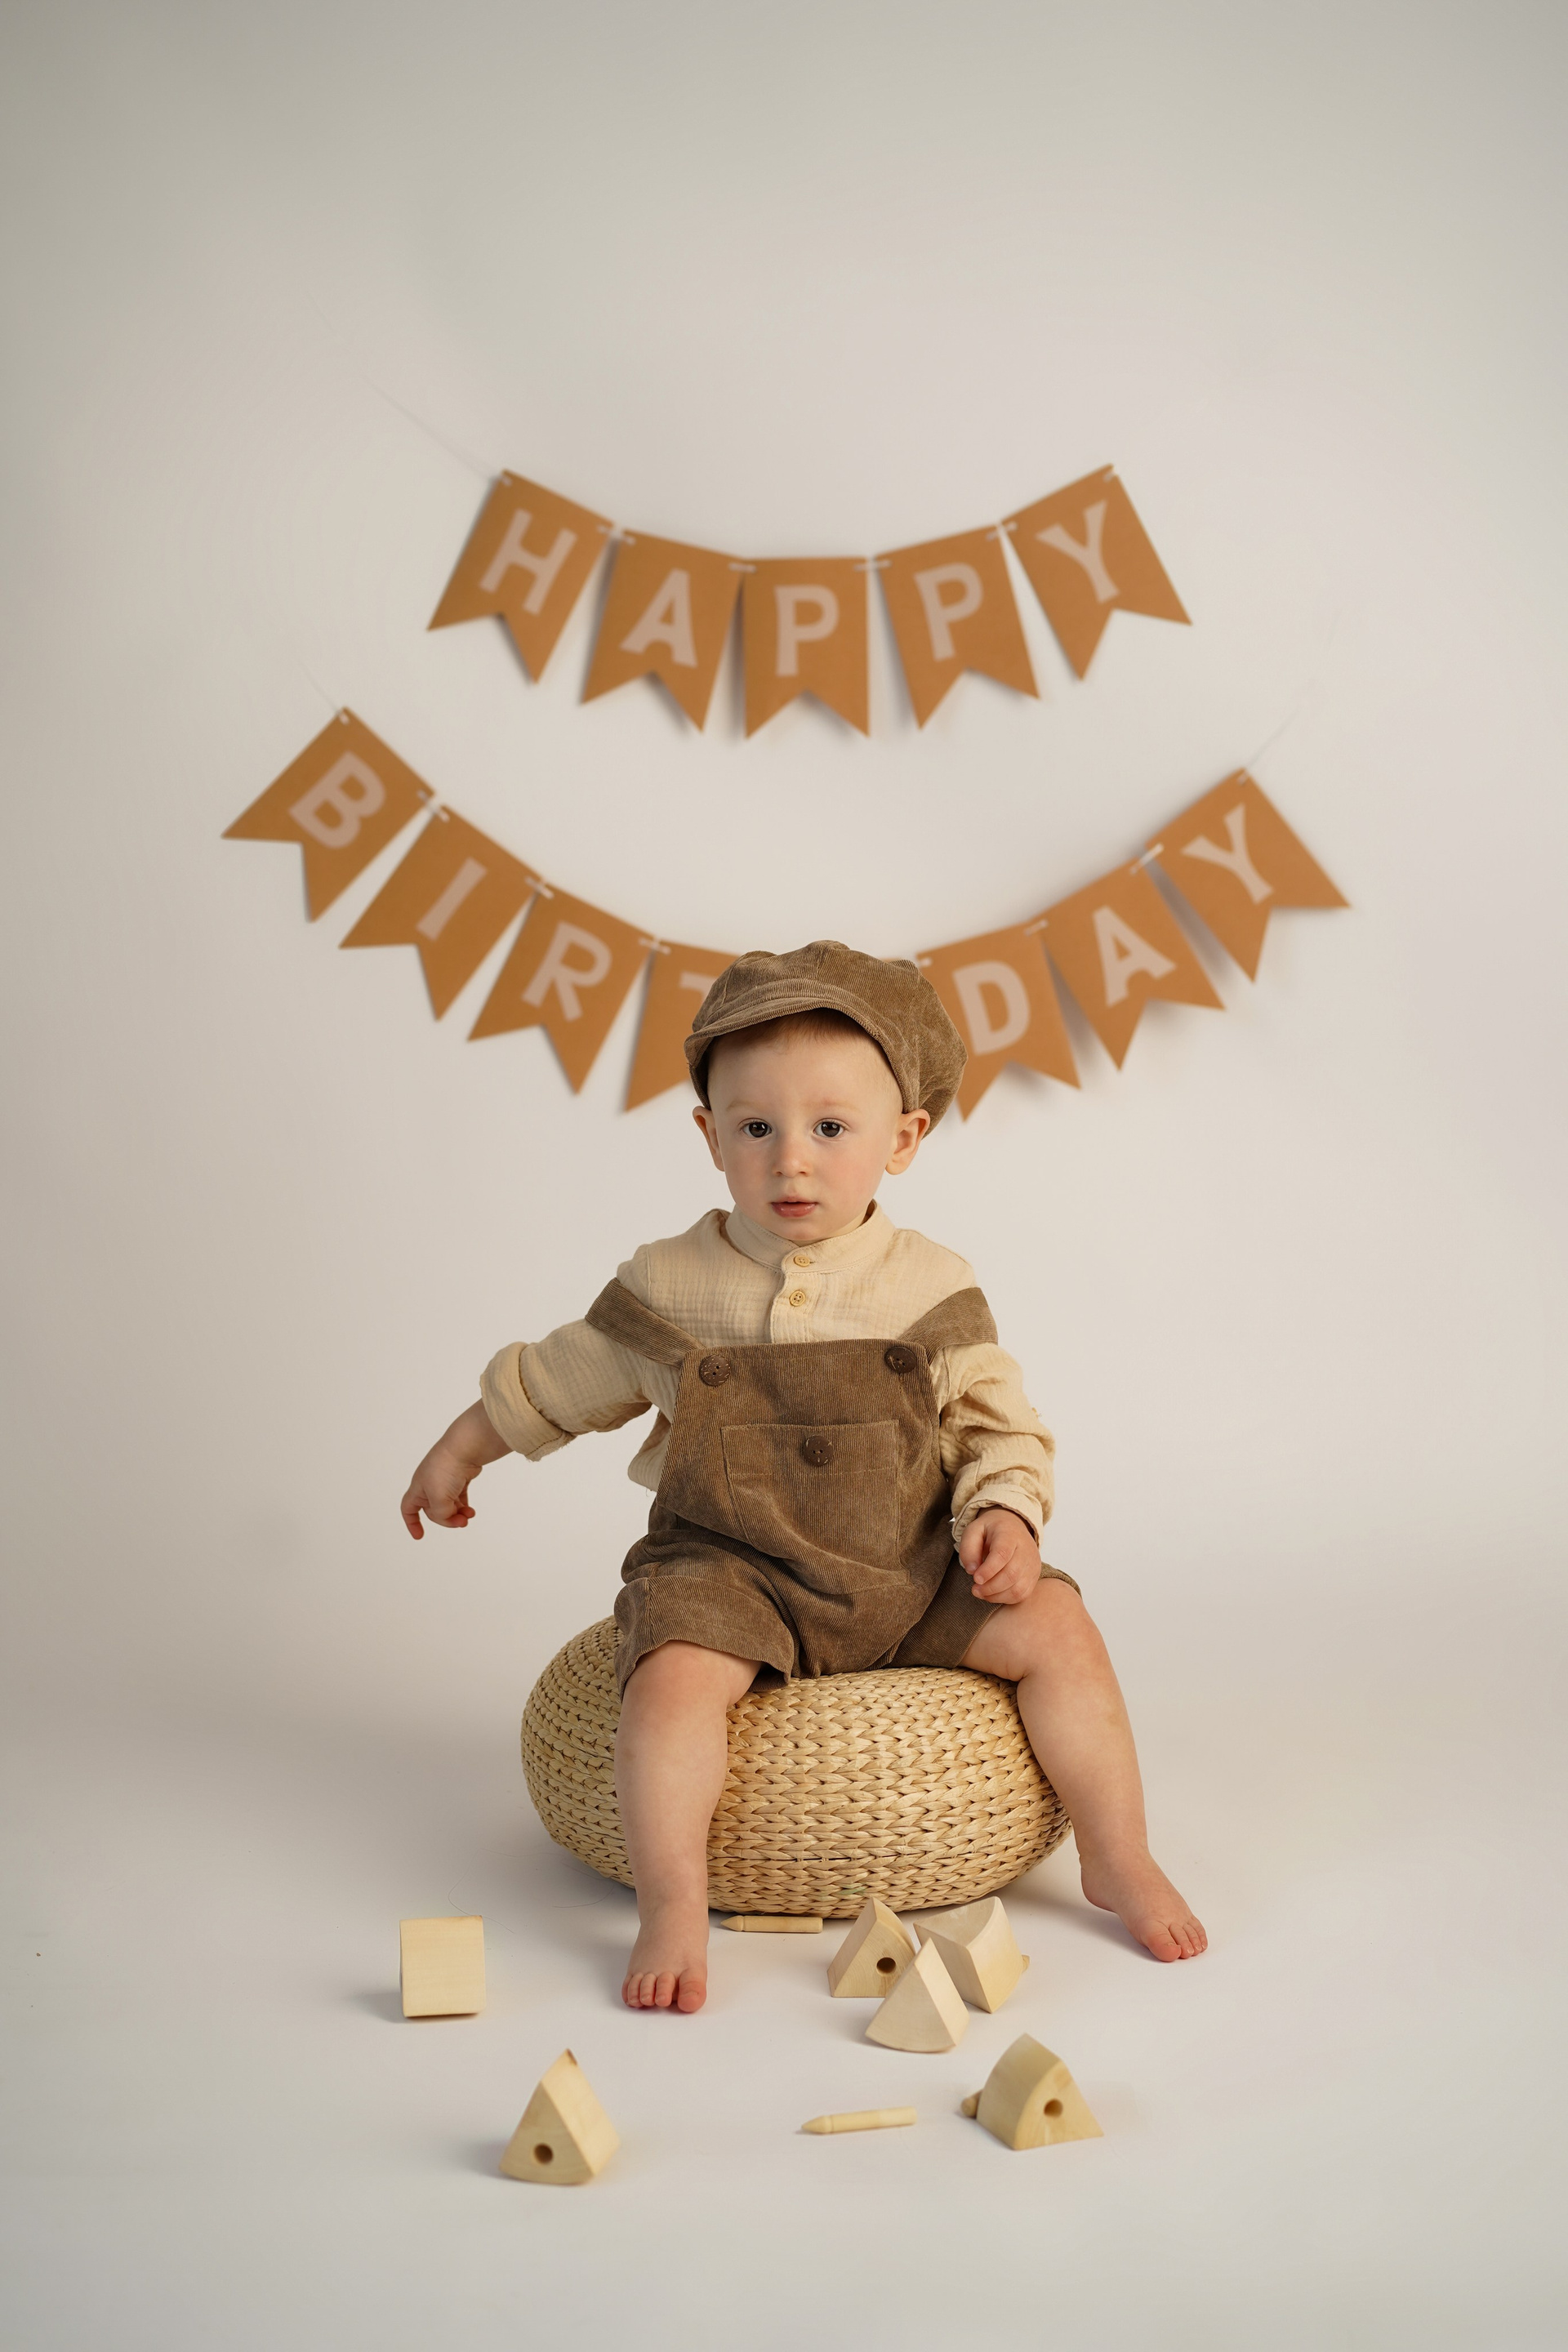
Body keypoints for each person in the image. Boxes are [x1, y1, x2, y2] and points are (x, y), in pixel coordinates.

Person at [400, 942, 1206, 2012]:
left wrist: (1006, 1514)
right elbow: (564, 1376)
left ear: (902, 1140)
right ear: (709, 1136)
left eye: (831, 1129)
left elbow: (999, 1425)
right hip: (730, 1568)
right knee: (669, 1682)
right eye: (756, 1129)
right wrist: (463, 1448)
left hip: (910, 1565)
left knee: (1061, 1630)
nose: (792, 1162)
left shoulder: (929, 1286)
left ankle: (1117, 1851)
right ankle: (673, 1900)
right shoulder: (671, 1283)